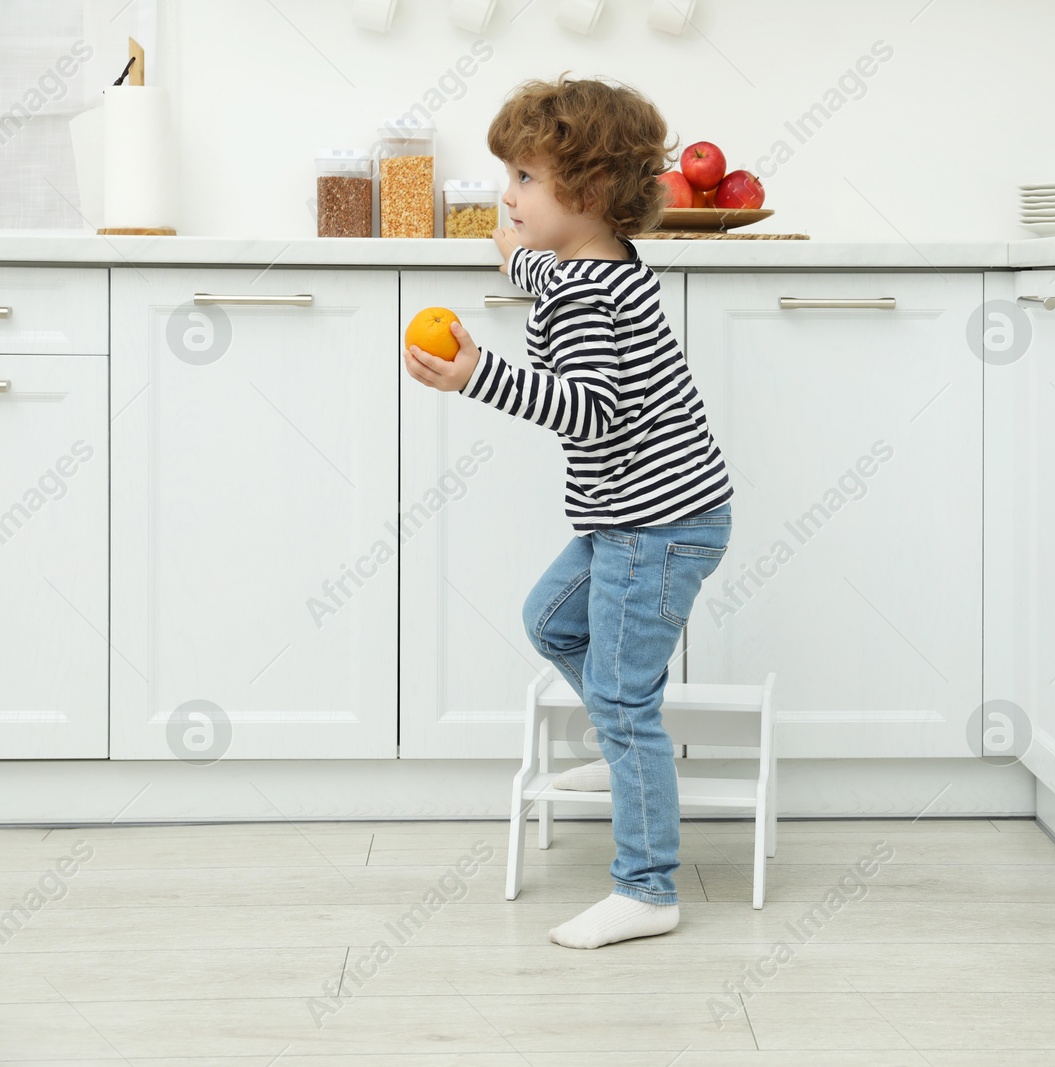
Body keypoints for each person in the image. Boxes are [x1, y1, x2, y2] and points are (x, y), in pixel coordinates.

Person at [402, 73, 734, 949]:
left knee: (626, 704)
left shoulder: (590, 293)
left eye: (522, 181)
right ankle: (628, 758)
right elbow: (551, 264)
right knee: (552, 622)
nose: (506, 197)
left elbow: (590, 409)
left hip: (654, 526)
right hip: (644, 513)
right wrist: (519, 252)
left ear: (584, 194)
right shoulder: (594, 260)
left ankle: (648, 885)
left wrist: (478, 374)